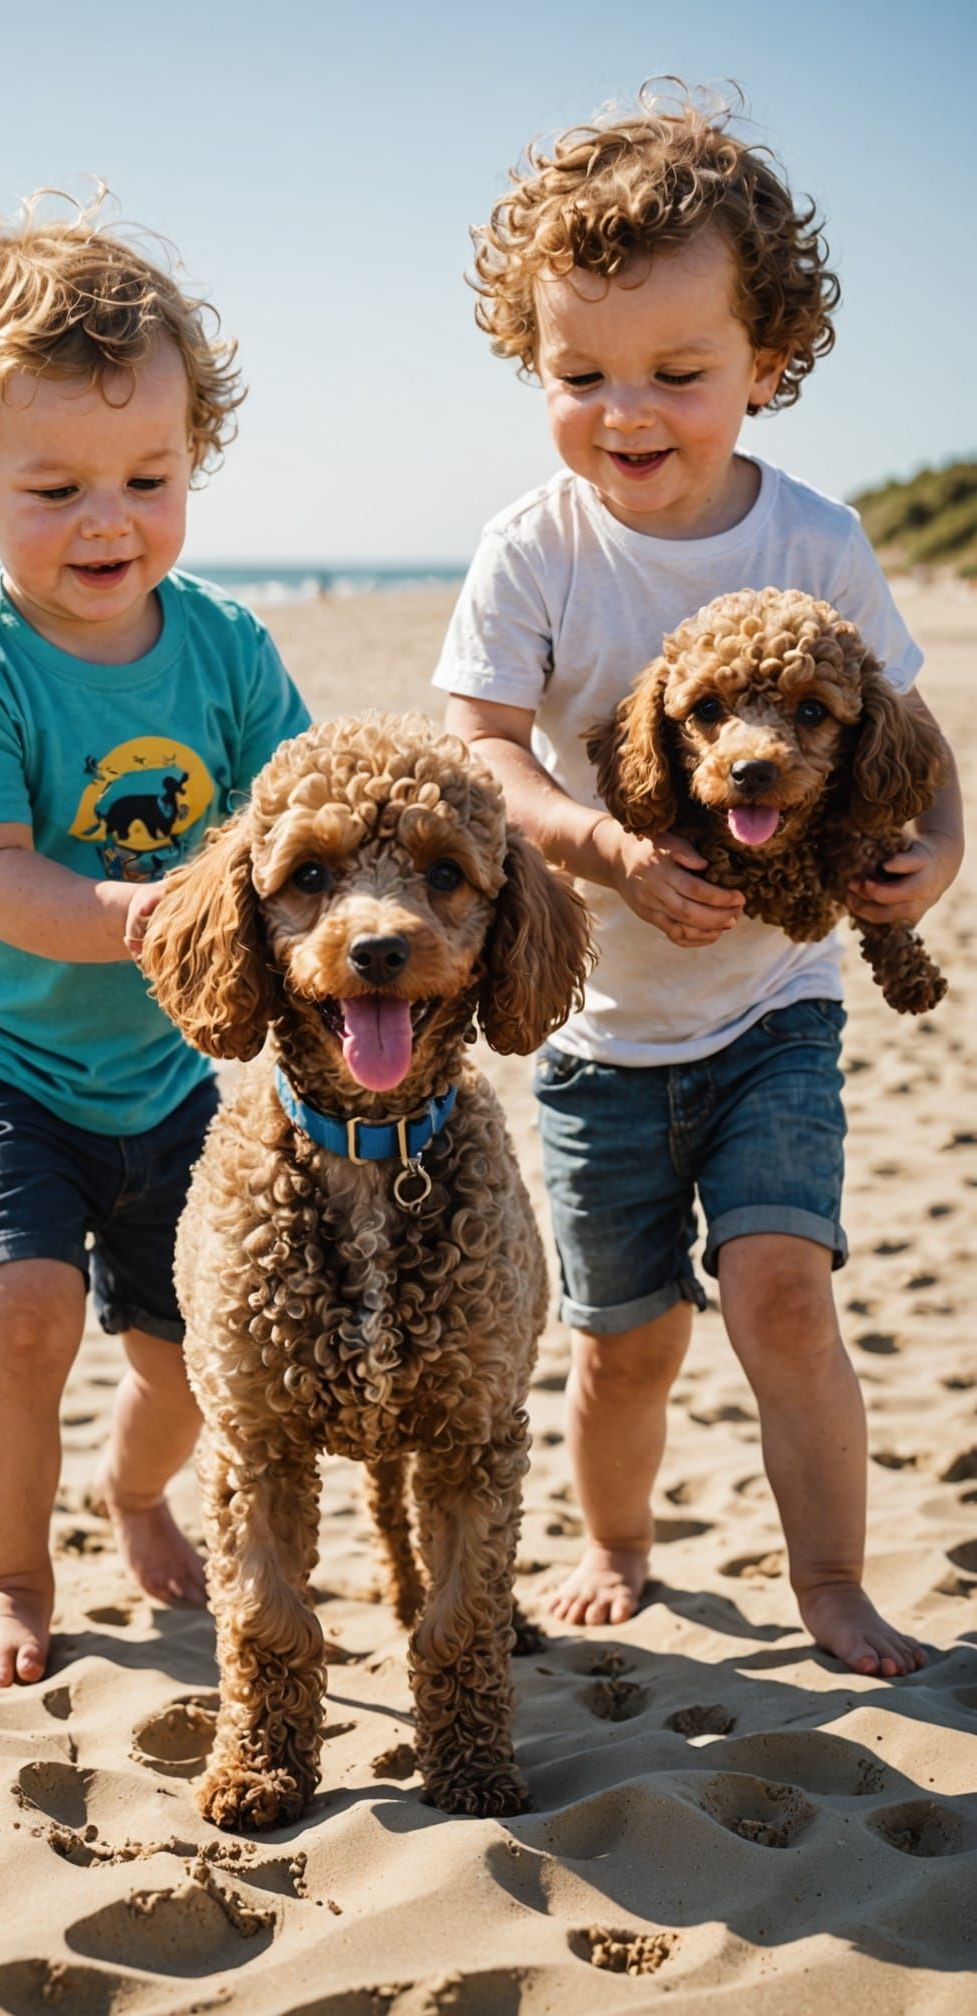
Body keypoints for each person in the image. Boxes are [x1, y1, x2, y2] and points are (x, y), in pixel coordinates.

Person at [434, 88, 963, 1677]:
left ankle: (833, 1589)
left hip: (777, 1004)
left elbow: (916, 738)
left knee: (785, 1297)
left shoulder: (812, 540)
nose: (626, 411)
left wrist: (935, 857)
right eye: (580, 374)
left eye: (679, 373)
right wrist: (602, 848)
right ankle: (617, 1543)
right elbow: (482, 759)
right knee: (623, 1344)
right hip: (600, 1035)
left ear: (768, 367)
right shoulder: (532, 551)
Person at [0, 192, 310, 1689]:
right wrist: (151, 911)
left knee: (192, 1351)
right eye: (55, 487)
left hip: (182, 1068)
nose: (111, 519)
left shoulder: (230, 650)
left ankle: (134, 1490)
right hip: (5, 1058)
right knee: (24, 1313)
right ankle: (8, 1574)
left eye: (150, 474)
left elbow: (289, 825)